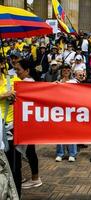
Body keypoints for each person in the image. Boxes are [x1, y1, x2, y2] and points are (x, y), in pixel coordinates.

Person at [14, 59, 43, 189]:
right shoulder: (28, 83)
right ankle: (32, 177)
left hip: (27, 123)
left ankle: (35, 178)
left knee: (30, 151)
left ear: (27, 71)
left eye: (18, 70)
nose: (16, 72)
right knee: (29, 151)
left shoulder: (26, 85)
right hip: (28, 122)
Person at [0, 56, 22, 197]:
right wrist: (4, 95)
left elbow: (32, 91)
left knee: (14, 166)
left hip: (12, 127)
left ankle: (15, 194)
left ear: (2, 64)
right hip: (0, 128)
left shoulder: (12, 80)